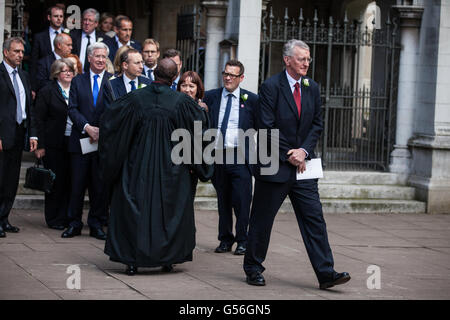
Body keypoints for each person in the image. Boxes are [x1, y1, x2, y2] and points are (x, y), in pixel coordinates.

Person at [243, 39, 351, 290]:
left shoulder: (312, 87)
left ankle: (326, 273)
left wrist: (303, 151)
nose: (306, 63)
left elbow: (316, 124)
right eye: (302, 58)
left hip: (304, 168)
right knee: (262, 220)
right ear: (287, 60)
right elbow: (266, 127)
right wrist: (288, 154)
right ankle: (253, 268)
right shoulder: (271, 86)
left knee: (315, 220)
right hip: (275, 165)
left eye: (308, 58)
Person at [99, 58, 213, 275]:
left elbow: (111, 127)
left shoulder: (133, 100)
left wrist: (113, 163)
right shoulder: (183, 103)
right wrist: (198, 165)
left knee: (136, 211)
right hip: (173, 168)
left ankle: (132, 260)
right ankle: (167, 259)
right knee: (168, 211)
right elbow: (198, 134)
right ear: (174, 78)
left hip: (137, 167)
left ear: (154, 75)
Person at [203, 60, 258, 256]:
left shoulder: (251, 100)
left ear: (241, 78)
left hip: (240, 156)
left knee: (242, 201)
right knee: (223, 199)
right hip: (218, 155)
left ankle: (242, 240)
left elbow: (262, 126)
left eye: (232, 75)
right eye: (225, 74)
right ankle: (225, 239)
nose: (227, 78)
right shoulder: (210, 96)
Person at [62, 42, 112, 240]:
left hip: (103, 142)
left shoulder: (112, 81)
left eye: (103, 57)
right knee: (76, 185)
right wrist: (87, 128)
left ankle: (96, 224)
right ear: (89, 58)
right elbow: (72, 109)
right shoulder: (78, 81)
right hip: (80, 141)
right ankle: (73, 223)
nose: (100, 60)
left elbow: (114, 110)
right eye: (97, 56)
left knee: (99, 187)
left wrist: (101, 130)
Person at [0, 37, 37, 238]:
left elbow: (28, 108)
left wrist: (33, 134)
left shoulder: (23, 75)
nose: (20, 55)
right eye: (16, 51)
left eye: (22, 52)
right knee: (0, 178)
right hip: (2, 135)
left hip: (19, 132)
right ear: (6, 52)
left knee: (12, 180)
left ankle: (4, 218)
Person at [33, 59, 76, 230]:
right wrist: (40, 145)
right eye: (64, 70)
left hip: (72, 141)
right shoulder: (47, 91)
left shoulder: (76, 88)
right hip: (53, 143)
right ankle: (53, 218)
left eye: (70, 70)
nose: (68, 73)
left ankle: (67, 216)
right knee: (55, 182)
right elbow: (39, 119)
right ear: (56, 73)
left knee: (70, 181)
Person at [177, 70, 208, 200]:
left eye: (191, 86)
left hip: (191, 165)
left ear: (198, 88)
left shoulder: (201, 109)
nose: (187, 90)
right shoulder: (174, 105)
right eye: (184, 85)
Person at [31, 6, 65, 90]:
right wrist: (33, 87)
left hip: (65, 80)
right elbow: (33, 62)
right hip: (45, 81)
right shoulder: (39, 37)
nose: (59, 19)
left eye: (61, 16)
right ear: (49, 17)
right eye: (56, 16)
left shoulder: (69, 36)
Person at [70, 8, 107, 73]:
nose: (87, 23)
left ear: (96, 23)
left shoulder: (104, 38)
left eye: (90, 20)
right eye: (85, 20)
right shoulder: (72, 36)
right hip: (76, 75)